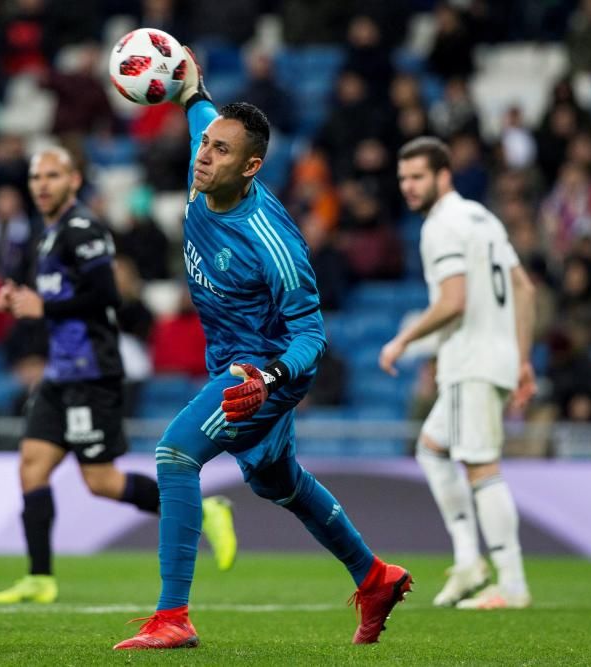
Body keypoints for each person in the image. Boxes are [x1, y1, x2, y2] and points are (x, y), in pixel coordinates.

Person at [114, 51, 411, 651]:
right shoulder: (207, 156)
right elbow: (198, 104)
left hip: (262, 370)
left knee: (175, 455)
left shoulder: (271, 241)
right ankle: (375, 577)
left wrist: (270, 379)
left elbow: (311, 336)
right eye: (206, 144)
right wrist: (190, 81)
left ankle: (173, 616)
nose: (204, 154)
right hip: (232, 355)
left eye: (221, 151)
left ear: (251, 167)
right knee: (278, 484)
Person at [0, 146, 236, 605]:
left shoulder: (84, 230)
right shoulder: (48, 236)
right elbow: (60, 296)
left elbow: (105, 296)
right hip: (60, 376)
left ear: (74, 181)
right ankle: (40, 577)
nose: (42, 184)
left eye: (53, 175)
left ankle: (207, 509)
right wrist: (19, 298)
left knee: (100, 481)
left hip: (92, 373)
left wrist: (43, 307)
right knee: (31, 467)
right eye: (36, 177)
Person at [380, 136, 536, 610]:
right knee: (432, 448)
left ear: (443, 175)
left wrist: (404, 339)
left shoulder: (440, 226)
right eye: (403, 178)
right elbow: (524, 289)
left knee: (481, 465)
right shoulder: (482, 217)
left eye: (417, 177)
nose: (408, 187)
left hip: (470, 361)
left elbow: (453, 301)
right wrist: (523, 358)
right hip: (494, 356)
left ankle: (511, 584)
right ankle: (469, 559)